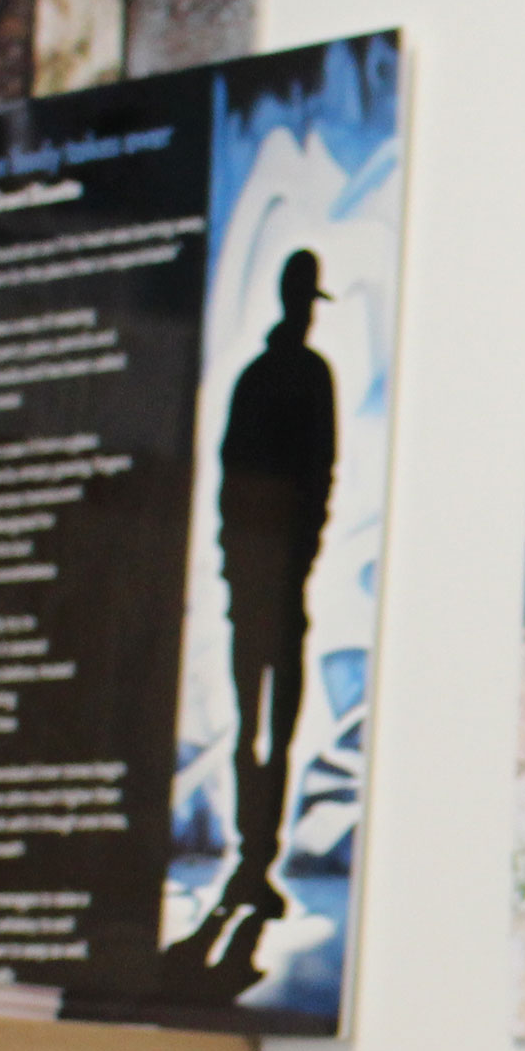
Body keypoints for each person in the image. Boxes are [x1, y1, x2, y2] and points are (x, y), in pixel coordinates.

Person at [173, 248, 338, 985]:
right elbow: (309, 474)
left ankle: (253, 858)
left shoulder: (267, 376)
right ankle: (252, 859)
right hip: (272, 575)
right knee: (270, 722)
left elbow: (243, 480)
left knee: (262, 723)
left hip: (260, 575)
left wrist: (253, 557)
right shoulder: (301, 376)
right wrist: (290, 552)